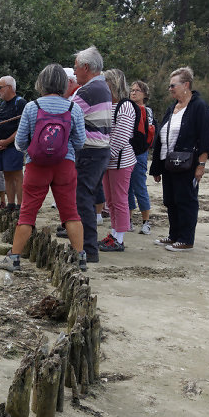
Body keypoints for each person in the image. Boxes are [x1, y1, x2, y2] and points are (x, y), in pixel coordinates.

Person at [0, 63, 87, 273]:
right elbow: (80, 141)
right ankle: (80, 257)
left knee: (27, 213)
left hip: (37, 166)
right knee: (71, 212)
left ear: (41, 82)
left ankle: (14, 258)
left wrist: (33, 151)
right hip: (65, 164)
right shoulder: (74, 108)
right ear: (64, 83)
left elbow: (20, 142)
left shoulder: (32, 107)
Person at [149, 66, 209, 251]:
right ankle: (174, 235)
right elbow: (162, 137)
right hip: (169, 162)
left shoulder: (199, 106)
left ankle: (186, 239)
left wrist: (201, 165)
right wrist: (157, 167)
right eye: (169, 86)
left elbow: (205, 139)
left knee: (186, 200)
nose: (170, 89)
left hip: (188, 163)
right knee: (171, 200)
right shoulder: (172, 108)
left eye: (173, 85)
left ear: (186, 85)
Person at [69, 46, 111, 261]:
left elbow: (66, 115)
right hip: (100, 151)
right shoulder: (101, 86)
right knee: (87, 197)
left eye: (76, 68)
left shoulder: (88, 91)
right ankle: (86, 246)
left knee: (82, 199)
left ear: (86, 67)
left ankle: (87, 249)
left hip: (90, 152)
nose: (74, 72)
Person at [99, 69, 136, 252]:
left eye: (105, 81)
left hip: (120, 161)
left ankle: (119, 238)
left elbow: (121, 137)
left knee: (120, 200)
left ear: (112, 83)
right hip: (109, 161)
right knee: (110, 200)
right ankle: (114, 233)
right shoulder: (109, 104)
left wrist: (106, 156)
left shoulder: (125, 106)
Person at [0, 75, 26, 212]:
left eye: (0, 87)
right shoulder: (1, 105)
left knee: (17, 176)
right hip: (1, 146)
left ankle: (21, 205)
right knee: (7, 175)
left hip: (14, 146)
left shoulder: (20, 103)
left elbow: (22, 127)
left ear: (10, 87)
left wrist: (7, 142)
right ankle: (10, 204)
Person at [127, 80, 154, 234]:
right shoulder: (127, 108)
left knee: (139, 186)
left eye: (137, 90)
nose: (134, 92)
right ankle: (128, 220)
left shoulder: (147, 111)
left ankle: (146, 221)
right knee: (127, 188)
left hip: (140, 153)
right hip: (127, 151)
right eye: (132, 89)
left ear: (145, 94)